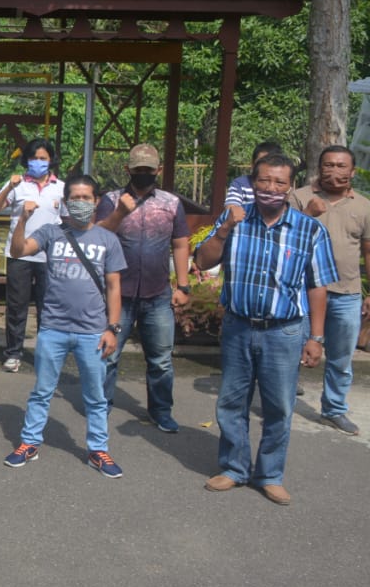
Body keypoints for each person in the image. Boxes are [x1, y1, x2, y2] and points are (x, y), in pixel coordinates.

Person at [195, 153, 336, 505]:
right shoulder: (235, 221)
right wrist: (225, 228)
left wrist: (316, 338)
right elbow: (202, 260)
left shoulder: (309, 230)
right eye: (264, 181)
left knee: (279, 406)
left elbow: (318, 286)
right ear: (252, 183)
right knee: (231, 402)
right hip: (238, 327)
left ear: (290, 187)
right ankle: (233, 468)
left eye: (279, 183)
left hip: (285, 331)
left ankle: (270, 474)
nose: (271, 188)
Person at [2, 174, 126, 479]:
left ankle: (98, 449)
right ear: (64, 201)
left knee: (95, 396)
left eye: (86, 197)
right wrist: (22, 219)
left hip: (93, 331)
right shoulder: (50, 233)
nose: (80, 203)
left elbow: (114, 287)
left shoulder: (108, 240)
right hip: (53, 328)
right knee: (42, 391)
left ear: (97, 202)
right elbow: (18, 251)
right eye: (75, 198)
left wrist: (112, 328)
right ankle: (29, 442)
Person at [96, 143, 191, 433]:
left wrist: (183, 286)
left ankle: (161, 411)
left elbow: (180, 243)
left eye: (149, 170)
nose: (144, 174)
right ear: (128, 170)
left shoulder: (171, 203)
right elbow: (99, 235)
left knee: (161, 360)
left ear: (158, 170)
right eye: (138, 170)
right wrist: (120, 213)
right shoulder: (112, 200)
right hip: (118, 294)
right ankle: (101, 406)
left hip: (158, 293)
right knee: (107, 356)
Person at [288, 145, 370, 437]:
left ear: (352, 171)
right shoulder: (299, 197)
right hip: (304, 291)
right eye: (328, 165)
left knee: (341, 357)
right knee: (292, 350)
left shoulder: (364, 206)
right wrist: (308, 214)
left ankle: (334, 409)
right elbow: (285, 239)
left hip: (347, 294)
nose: (333, 171)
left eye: (340, 166)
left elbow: (368, 250)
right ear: (319, 168)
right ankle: (282, 405)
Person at [0, 137, 64, 373]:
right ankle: (13, 353)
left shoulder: (61, 187)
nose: (38, 162)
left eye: (43, 158)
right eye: (33, 158)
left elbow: (69, 220)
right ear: (26, 160)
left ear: (51, 161)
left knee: (48, 307)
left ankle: (45, 353)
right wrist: (9, 187)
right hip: (19, 254)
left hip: (49, 256)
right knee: (17, 306)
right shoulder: (17, 184)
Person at [225, 140, 284, 207]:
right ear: (252, 164)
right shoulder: (240, 184)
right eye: (260, 163)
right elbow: (231, 210)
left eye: (270, 163)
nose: (264, 167)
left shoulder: (282, 187)